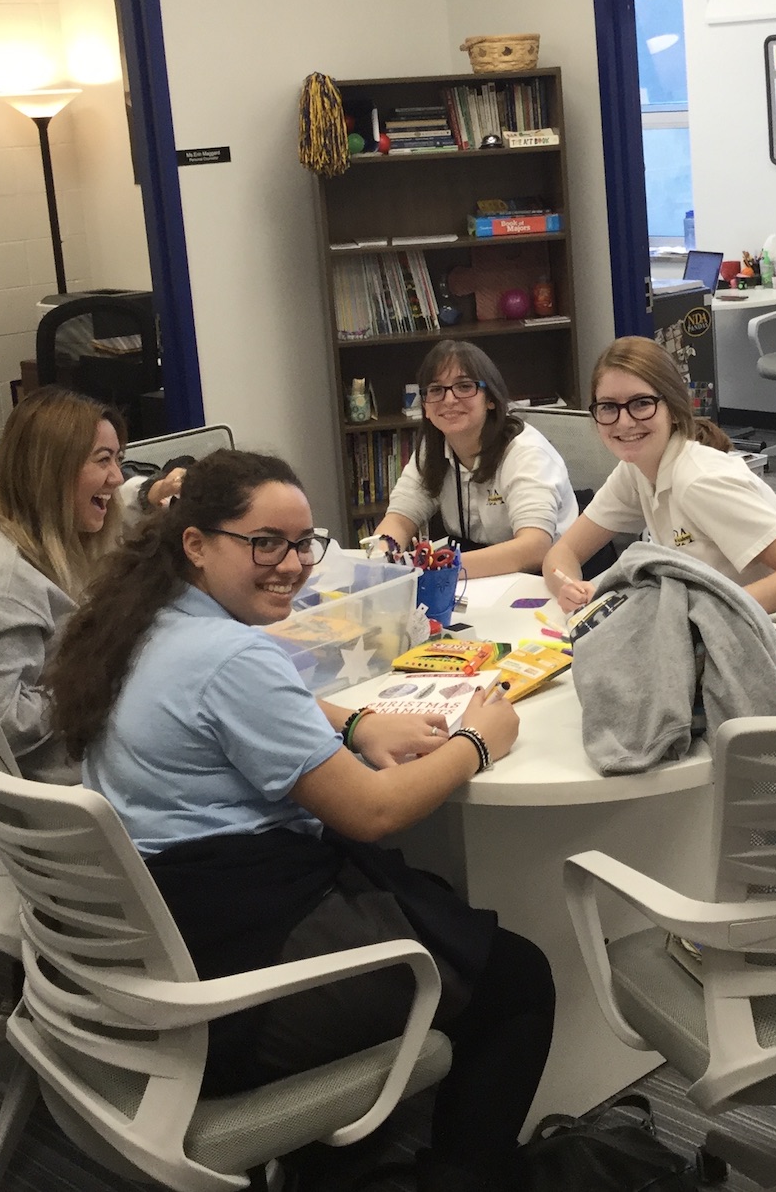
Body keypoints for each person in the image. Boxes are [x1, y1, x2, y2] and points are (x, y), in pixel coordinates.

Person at [49, 450, 552, 1192]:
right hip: (234, 990)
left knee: (427, 901)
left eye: (301, 544)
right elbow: (373, 810)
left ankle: (331, 1158)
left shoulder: (141, 622)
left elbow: (234, 702)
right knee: (517, 980)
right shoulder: (232, 658)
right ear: (196, 544)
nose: (291, 565)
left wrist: (354, 725)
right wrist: (480, 743)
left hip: (156, 949)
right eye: (264, 544)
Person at [0, 387, 181, 781]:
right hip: (49, 784)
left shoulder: (46, 538)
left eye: (119, 460)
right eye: (103, 461)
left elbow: (121, 509)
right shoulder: (4, 584)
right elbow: (1, 723)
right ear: (53, 471)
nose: (116, 477)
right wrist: (101, 675)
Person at [543, 336, 776, 617]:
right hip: (725, 626)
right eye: (608, 407)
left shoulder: (699, 480)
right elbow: (564, 551)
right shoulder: (636, 471)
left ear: (672, 408)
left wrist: (709, 615)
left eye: (641, 403)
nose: (624, 421)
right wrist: (568, 587)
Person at [373, 339, 578, 578]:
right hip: (481, 572)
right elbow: (399, 519)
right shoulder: (433, 449)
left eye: (464, 386)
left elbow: (534, 548)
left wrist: (436, 567)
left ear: (490, 398)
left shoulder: (526, 452)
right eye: (436, 390)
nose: (449, 400)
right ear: (426, 407)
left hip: (553, 575)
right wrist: (382, 558)